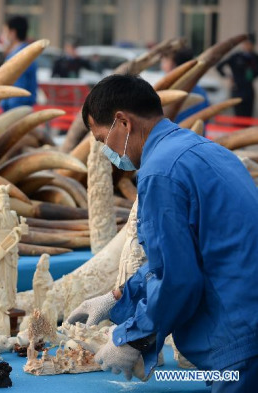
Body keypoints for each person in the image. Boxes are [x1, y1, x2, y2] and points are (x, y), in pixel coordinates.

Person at [66, 74, 258, 391]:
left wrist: (133, 336)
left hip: (238, 341)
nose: (105, 152)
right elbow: (181, 254)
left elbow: (178, 277)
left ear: (123, 122)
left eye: (102, 140)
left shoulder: (160, 172)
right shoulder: (209, 151)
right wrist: (118, 298)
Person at [161, 47, 210, 123]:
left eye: (165, 62)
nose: (162, 66)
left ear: (172, 65)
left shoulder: (167, 94)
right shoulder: (201, 92)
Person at [0, 15, 38, 111]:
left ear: (13, 33)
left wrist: (10, 113)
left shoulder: (21, 57)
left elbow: (17, 91)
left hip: (16, 112)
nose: (3, 36)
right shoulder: (21, 53)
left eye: (5, 32)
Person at [217, 34, 258, 117]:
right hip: (237, 89)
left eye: (250, 44)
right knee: (238, 116)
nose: (248, 46)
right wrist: (228, 76)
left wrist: (253, 76)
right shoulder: (236, 57)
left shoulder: (255, 57)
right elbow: (219, 66)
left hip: (248, 90)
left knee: (248, 116)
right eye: (246, 44)